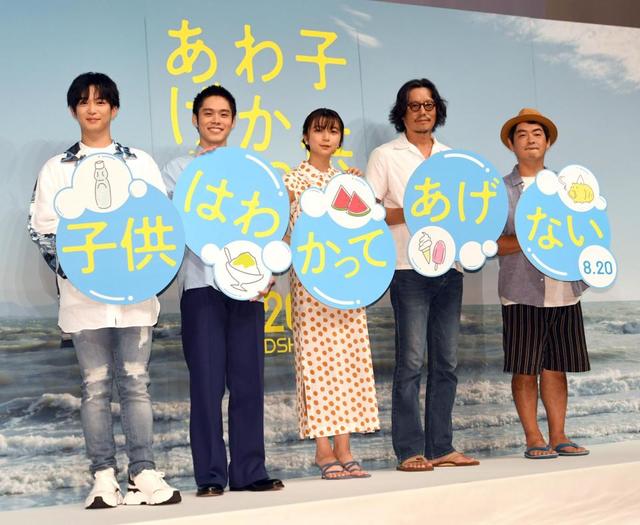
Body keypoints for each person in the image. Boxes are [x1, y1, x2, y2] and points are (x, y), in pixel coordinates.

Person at [28, 72, 181, 509]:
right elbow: (43, 230)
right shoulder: (57, 168)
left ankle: (143, 472)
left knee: (136, 383)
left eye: (100, 101)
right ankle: (102, 476)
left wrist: (148, 275)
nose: (92, 109)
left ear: (114, 108)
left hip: (135, 298)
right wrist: (83, 274)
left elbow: (162, 224)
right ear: (74, 110)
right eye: (83, 101)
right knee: (95, 387)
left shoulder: (139, 163)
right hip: (84, 300)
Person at [162, 85, 284, 496]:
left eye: (224, 114)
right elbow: (171, 228)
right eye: (208, 113)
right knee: (207, 385)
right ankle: (211, 475)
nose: (216, 120)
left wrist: (266, 270)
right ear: (194, 119)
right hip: (201, 287)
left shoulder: (250, 169)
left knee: (249, 383)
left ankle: (250, 470)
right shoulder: (178, 169)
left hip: (248, 289)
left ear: (233, 121)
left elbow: (267, 224)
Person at [366, 79, 479, 471]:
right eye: (414, 105)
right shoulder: (385, 155)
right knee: (411, 362)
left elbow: (466, 212)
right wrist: (414, 210)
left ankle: (441, 447)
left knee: (446, 363)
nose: (422, 112)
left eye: (428, 105)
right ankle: (410, 450)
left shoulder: (452, 158)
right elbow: (369, 212)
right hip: (407, 267)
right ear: (402, 112)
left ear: (437, 110)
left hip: (450, 268)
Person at [283, 108, 380, 480]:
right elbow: (282, 232)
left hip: (348, 282)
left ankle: (346, 448)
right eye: (319, 130)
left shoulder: (348, 181)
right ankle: (324, 451)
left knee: (350, 364)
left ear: (340, 138)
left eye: (334, 131)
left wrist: (362, 194)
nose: (326, 137)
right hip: (310, 286)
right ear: (305, 136)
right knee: (316, 365)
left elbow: (364, 232)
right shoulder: (291, 180)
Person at [497, 108, 590, 459]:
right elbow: (492, 243)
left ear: (548, 142)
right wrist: (531, 238)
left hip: (565, 291)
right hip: (520, 291)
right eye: (522, 134)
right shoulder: (500, 191)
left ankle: (559, 435)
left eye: (537, 133)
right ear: (512, 144)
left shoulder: (568, 189)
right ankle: (533, 438)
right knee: (525, 368)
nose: (531, 139)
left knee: (556, 366)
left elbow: (586, 232)